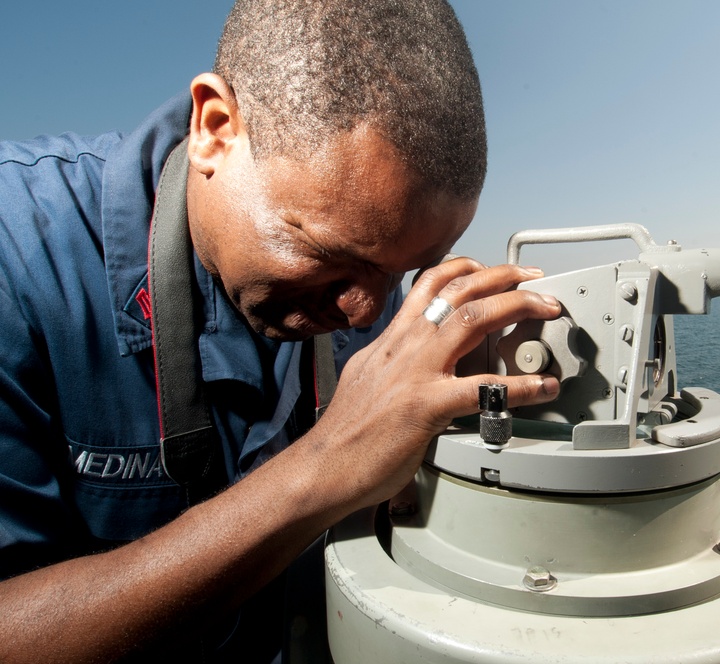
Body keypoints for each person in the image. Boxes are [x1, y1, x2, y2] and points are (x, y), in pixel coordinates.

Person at [0, 1, 561, 662]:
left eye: (405, 272)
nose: (365, 313)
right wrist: (329, 465)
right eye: (334, 258)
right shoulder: (21, 260)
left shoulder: (362, 290)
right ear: (215, 127)